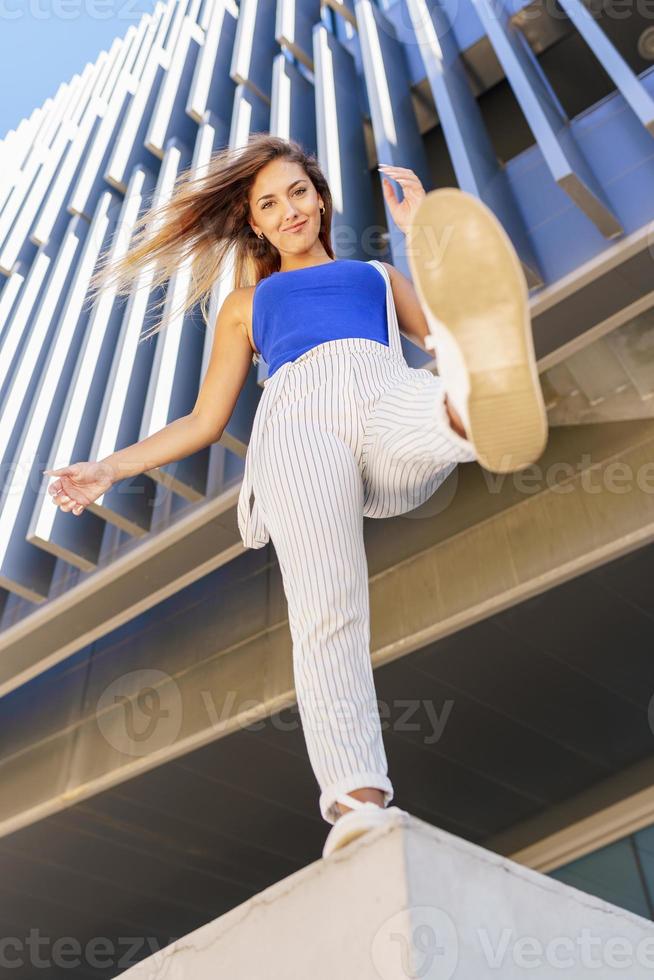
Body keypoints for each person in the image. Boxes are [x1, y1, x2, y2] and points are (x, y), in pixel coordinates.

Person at [44, 134, 548, 859]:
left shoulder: (377, 275)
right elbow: (204, 419)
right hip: (299, 424)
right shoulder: (248, 303)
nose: (289, 212)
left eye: (299, 193)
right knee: (327, 608)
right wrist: (109, 468)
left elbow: (439, 333)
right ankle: (357, 801)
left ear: (321, 197)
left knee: (445, 387)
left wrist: (421, 242)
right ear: (255, 223)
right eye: (270, 204)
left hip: (385, 395)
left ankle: (471, 408)